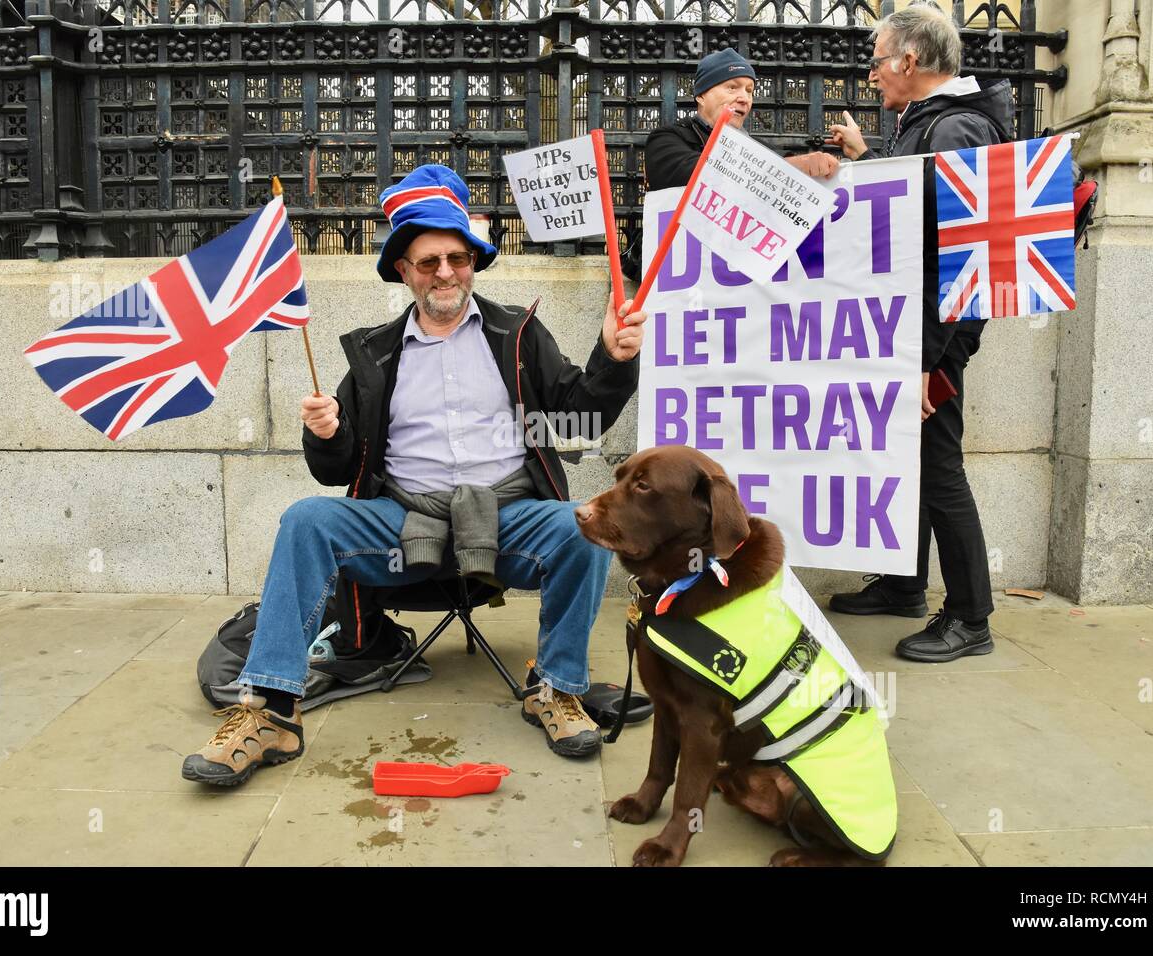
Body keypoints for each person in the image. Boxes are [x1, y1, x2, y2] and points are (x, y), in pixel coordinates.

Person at [182, 164, 648, 786]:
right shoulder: (374, 352)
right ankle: (270, 710)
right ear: (404, 270)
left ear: (474, 263)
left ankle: (557, 689)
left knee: (582, 525)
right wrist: (327, 435)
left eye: (458, 258)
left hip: (508, 520)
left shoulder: (516, 333)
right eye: (429, 262)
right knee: (306, 520)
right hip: (402, 524)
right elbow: (338, 470)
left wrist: (613, 358)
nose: (446, 273)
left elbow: (579, 416)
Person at [825, 5, 1012, 663]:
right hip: (917, 337)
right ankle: (905, 583)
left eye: (877, 59)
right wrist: (869, 155)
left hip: (931, 342)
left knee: (938, 468)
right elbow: (913, 209)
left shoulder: (956, 128)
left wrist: (928, 364)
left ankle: (969, 617)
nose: (872, 73)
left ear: (908, 60)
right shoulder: (937, 127)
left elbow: (953, 260)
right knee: (909, 462)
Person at [645, 48, 841, 193]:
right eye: (732, 87)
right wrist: (787, 168)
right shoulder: (668, 139)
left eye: (749, 90)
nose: (744, 98)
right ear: (701, 96)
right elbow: (691, 174)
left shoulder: (760, 148)